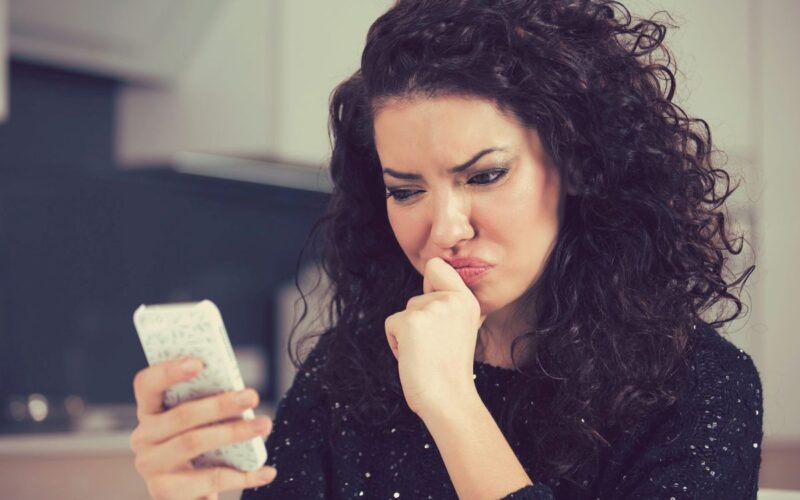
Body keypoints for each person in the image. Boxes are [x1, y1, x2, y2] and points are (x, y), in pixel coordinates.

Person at [130, 0, 763, 498]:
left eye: (484, 176)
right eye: (406, 191)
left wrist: (451, 403)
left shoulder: (701, 387)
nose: (444, 229)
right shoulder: (345, 371)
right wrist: (191, 495)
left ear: (575, 163)